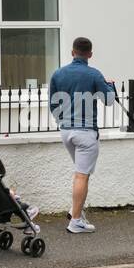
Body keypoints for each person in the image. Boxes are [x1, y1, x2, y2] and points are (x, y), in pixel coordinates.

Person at [47, 37, 115, 234]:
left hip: (66, 131)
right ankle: (75, 221)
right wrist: (110, 86)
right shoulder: (94, 74)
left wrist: (63, 122)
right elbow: (109, 100)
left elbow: (53, 104)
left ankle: (75, 211)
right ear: (90, 55)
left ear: (72, 52)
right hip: (86, 133)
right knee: (82, 176)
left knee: (82, 173)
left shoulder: (58, 74)